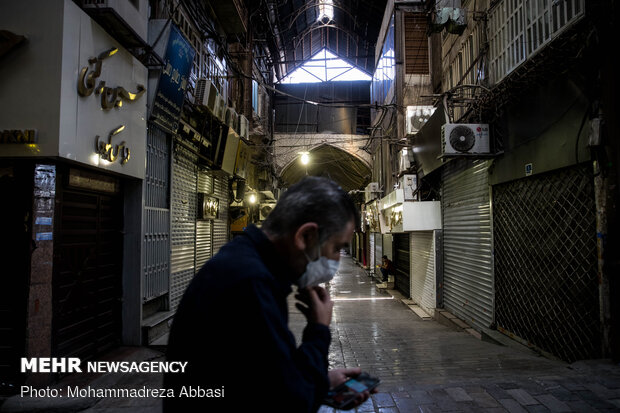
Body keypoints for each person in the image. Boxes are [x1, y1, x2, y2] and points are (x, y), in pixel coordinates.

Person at [164, 177, 374, 412]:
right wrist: (318, 330)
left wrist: (321, 382)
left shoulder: (244, 262)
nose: (336, 259)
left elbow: (262, 381)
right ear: (305, 237)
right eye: (337, 248)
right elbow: (290, 403)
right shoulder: (252, 285)